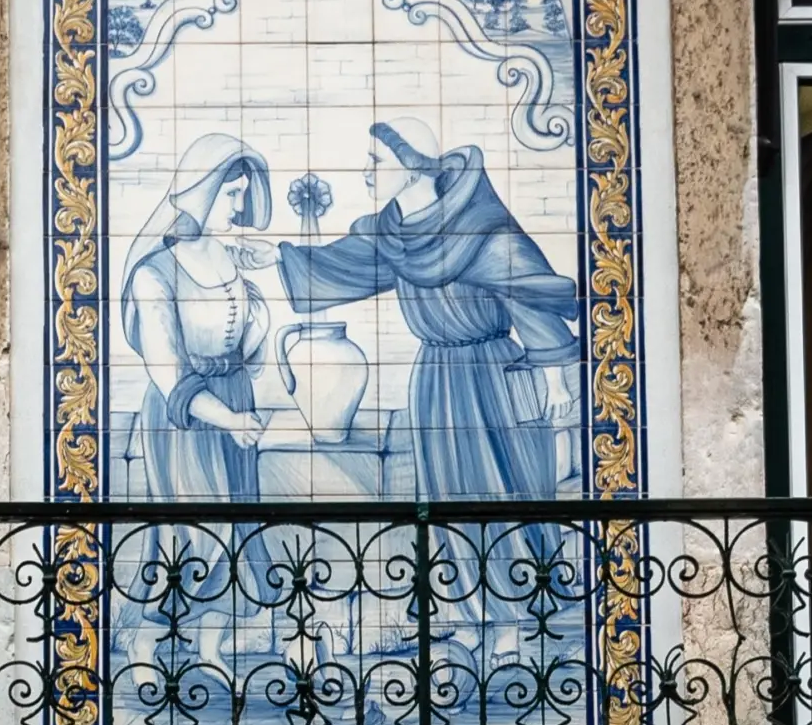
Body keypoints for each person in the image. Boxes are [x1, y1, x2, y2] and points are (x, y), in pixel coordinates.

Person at [275, 125, 584, 503]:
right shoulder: (392, 237)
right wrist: (276, 256)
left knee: (506, 489)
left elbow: (529, 295)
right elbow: (339, 265)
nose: (365, 171)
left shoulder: (482, 229)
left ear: (413, 169)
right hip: (433, 381)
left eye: (376, 160)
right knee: (446, 492)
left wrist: (554, 380)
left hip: (490, 377)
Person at [119, 136, 280, 504]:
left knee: (240, 529)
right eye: (230, 194)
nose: (239, 207)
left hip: (238, 403)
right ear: (201, 193)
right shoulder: (153, 275)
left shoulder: (230, 256)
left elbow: (250, 352)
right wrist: (229, 419)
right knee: (198, 542)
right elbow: (169, 373)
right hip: (187, 420)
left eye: (243, 194)